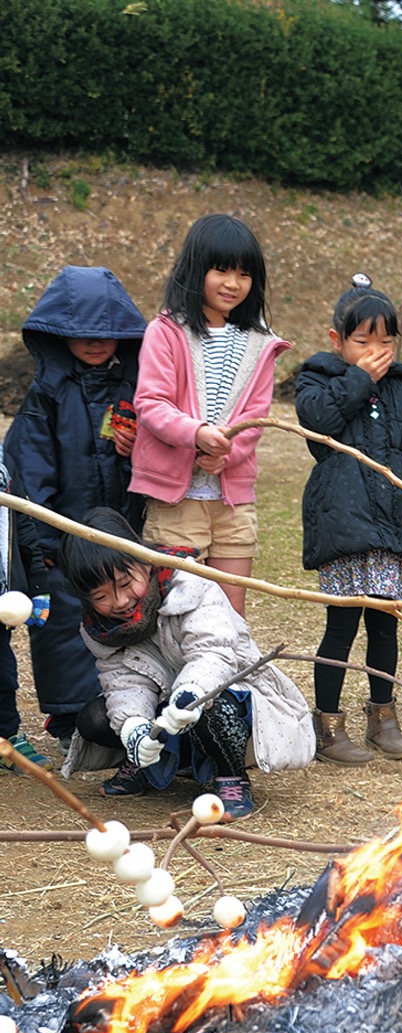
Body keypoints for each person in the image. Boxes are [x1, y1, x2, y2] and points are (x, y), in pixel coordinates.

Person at [58, 509, 315, 818]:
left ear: (144, 562)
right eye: (101, 595)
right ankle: (145, 764)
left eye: (126, 583)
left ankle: (230, 776)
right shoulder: (100, 629)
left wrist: (190, 693)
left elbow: (214, 653)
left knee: (212, 706)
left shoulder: (189, 585)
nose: (121, 601)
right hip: (167, 710)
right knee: (96, 719)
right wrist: (134, 728)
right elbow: (123, 681)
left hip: (225, 693)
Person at [295, 276, 402, 765]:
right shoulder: (317, 380)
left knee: (386, 627)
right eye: (363, 341)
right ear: (336, 340)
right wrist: (359, 378)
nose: (376, 351)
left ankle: (383, 717)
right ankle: (327, 726)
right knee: (340, 628)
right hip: (344, 527)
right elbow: (317, 425)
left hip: (393, 528)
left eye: (386, 341)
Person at [4, 265, 147, 754]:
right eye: (81, 333)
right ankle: (68, 719)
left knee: (123, 614)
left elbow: (157, 463)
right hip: (62, 538)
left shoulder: (134, 391)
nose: (94, 342)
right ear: (58, 334)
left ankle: (124, 715)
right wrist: (44, 543)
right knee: (64, 624)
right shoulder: (47, 395)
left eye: (106, 333)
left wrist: (137, 451)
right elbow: (28, 468)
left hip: (121, 530)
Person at [131, 213, 290, 617]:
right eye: (221, 270)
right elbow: (151, 403)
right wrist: (197, 434)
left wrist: (227, 455)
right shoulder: (166, 331)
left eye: (244, 274)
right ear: (195, 269)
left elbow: (255, 419)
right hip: (175, 502)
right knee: (178, 612)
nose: (233, 284)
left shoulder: (259, 343)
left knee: (231, 614)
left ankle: (228, 681)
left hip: (233, 504)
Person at [0, 449, 53, 771]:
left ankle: (7, 736)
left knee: (3, 673)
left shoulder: (5, 470)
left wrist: (37, 587)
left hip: (3, 599)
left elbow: (24, 528)